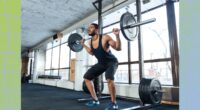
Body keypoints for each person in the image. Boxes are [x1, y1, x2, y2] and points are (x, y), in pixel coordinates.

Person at [81, 23, 121, 110]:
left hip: (112, 62)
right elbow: (91, 52)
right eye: (88, 28)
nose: (89, 29)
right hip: (101, 63)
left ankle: (114, 104)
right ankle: (95, 100)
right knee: (87, 77)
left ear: (97, 30)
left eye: (91, 27)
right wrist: (83, 45)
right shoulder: (90, 42)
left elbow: (118, 48)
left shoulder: (105, 37)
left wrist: (117, 36)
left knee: (109, 78)